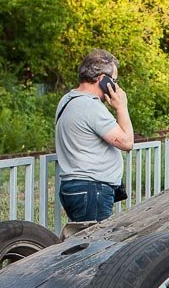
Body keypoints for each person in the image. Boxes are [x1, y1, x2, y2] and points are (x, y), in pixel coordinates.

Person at [55, 49, 134, 223]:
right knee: (97, 246)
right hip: (92, 189)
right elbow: (127, 142)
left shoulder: (68, 99)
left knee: (82, 243)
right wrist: (122, 107)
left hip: (78, 187)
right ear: (102, 79)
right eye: (114, 81)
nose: (116, 86)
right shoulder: (89, 106)